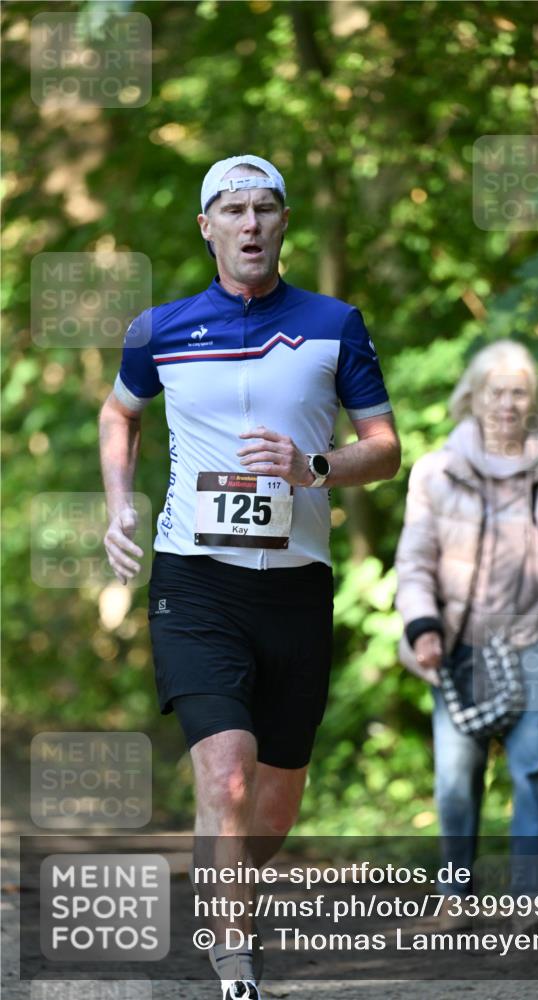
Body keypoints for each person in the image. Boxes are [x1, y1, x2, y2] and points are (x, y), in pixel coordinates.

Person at [100, 154, 400, 998]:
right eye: (233, 209)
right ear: (208, 227)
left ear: (283, 223)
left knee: (272, 803)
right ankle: (232, 960)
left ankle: (235, 890)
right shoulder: (158, 329)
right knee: (226, 771)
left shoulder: (335, 323)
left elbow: (383, 448)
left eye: (265, 208)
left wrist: (313, 466)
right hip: (194, 579)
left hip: (296, 584)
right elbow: (118, 412)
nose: (251, 224)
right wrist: (118, 504)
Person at [394, 339, 538, 925]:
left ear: (533, 401)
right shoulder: (438, 471)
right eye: (497, 392)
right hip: (461, 644)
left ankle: (530, 900)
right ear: (475, 397)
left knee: (533, 766)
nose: (508, 404)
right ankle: (455, 898)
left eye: (520, 392)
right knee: (456, 779)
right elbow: (414, 564)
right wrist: (423, 628)